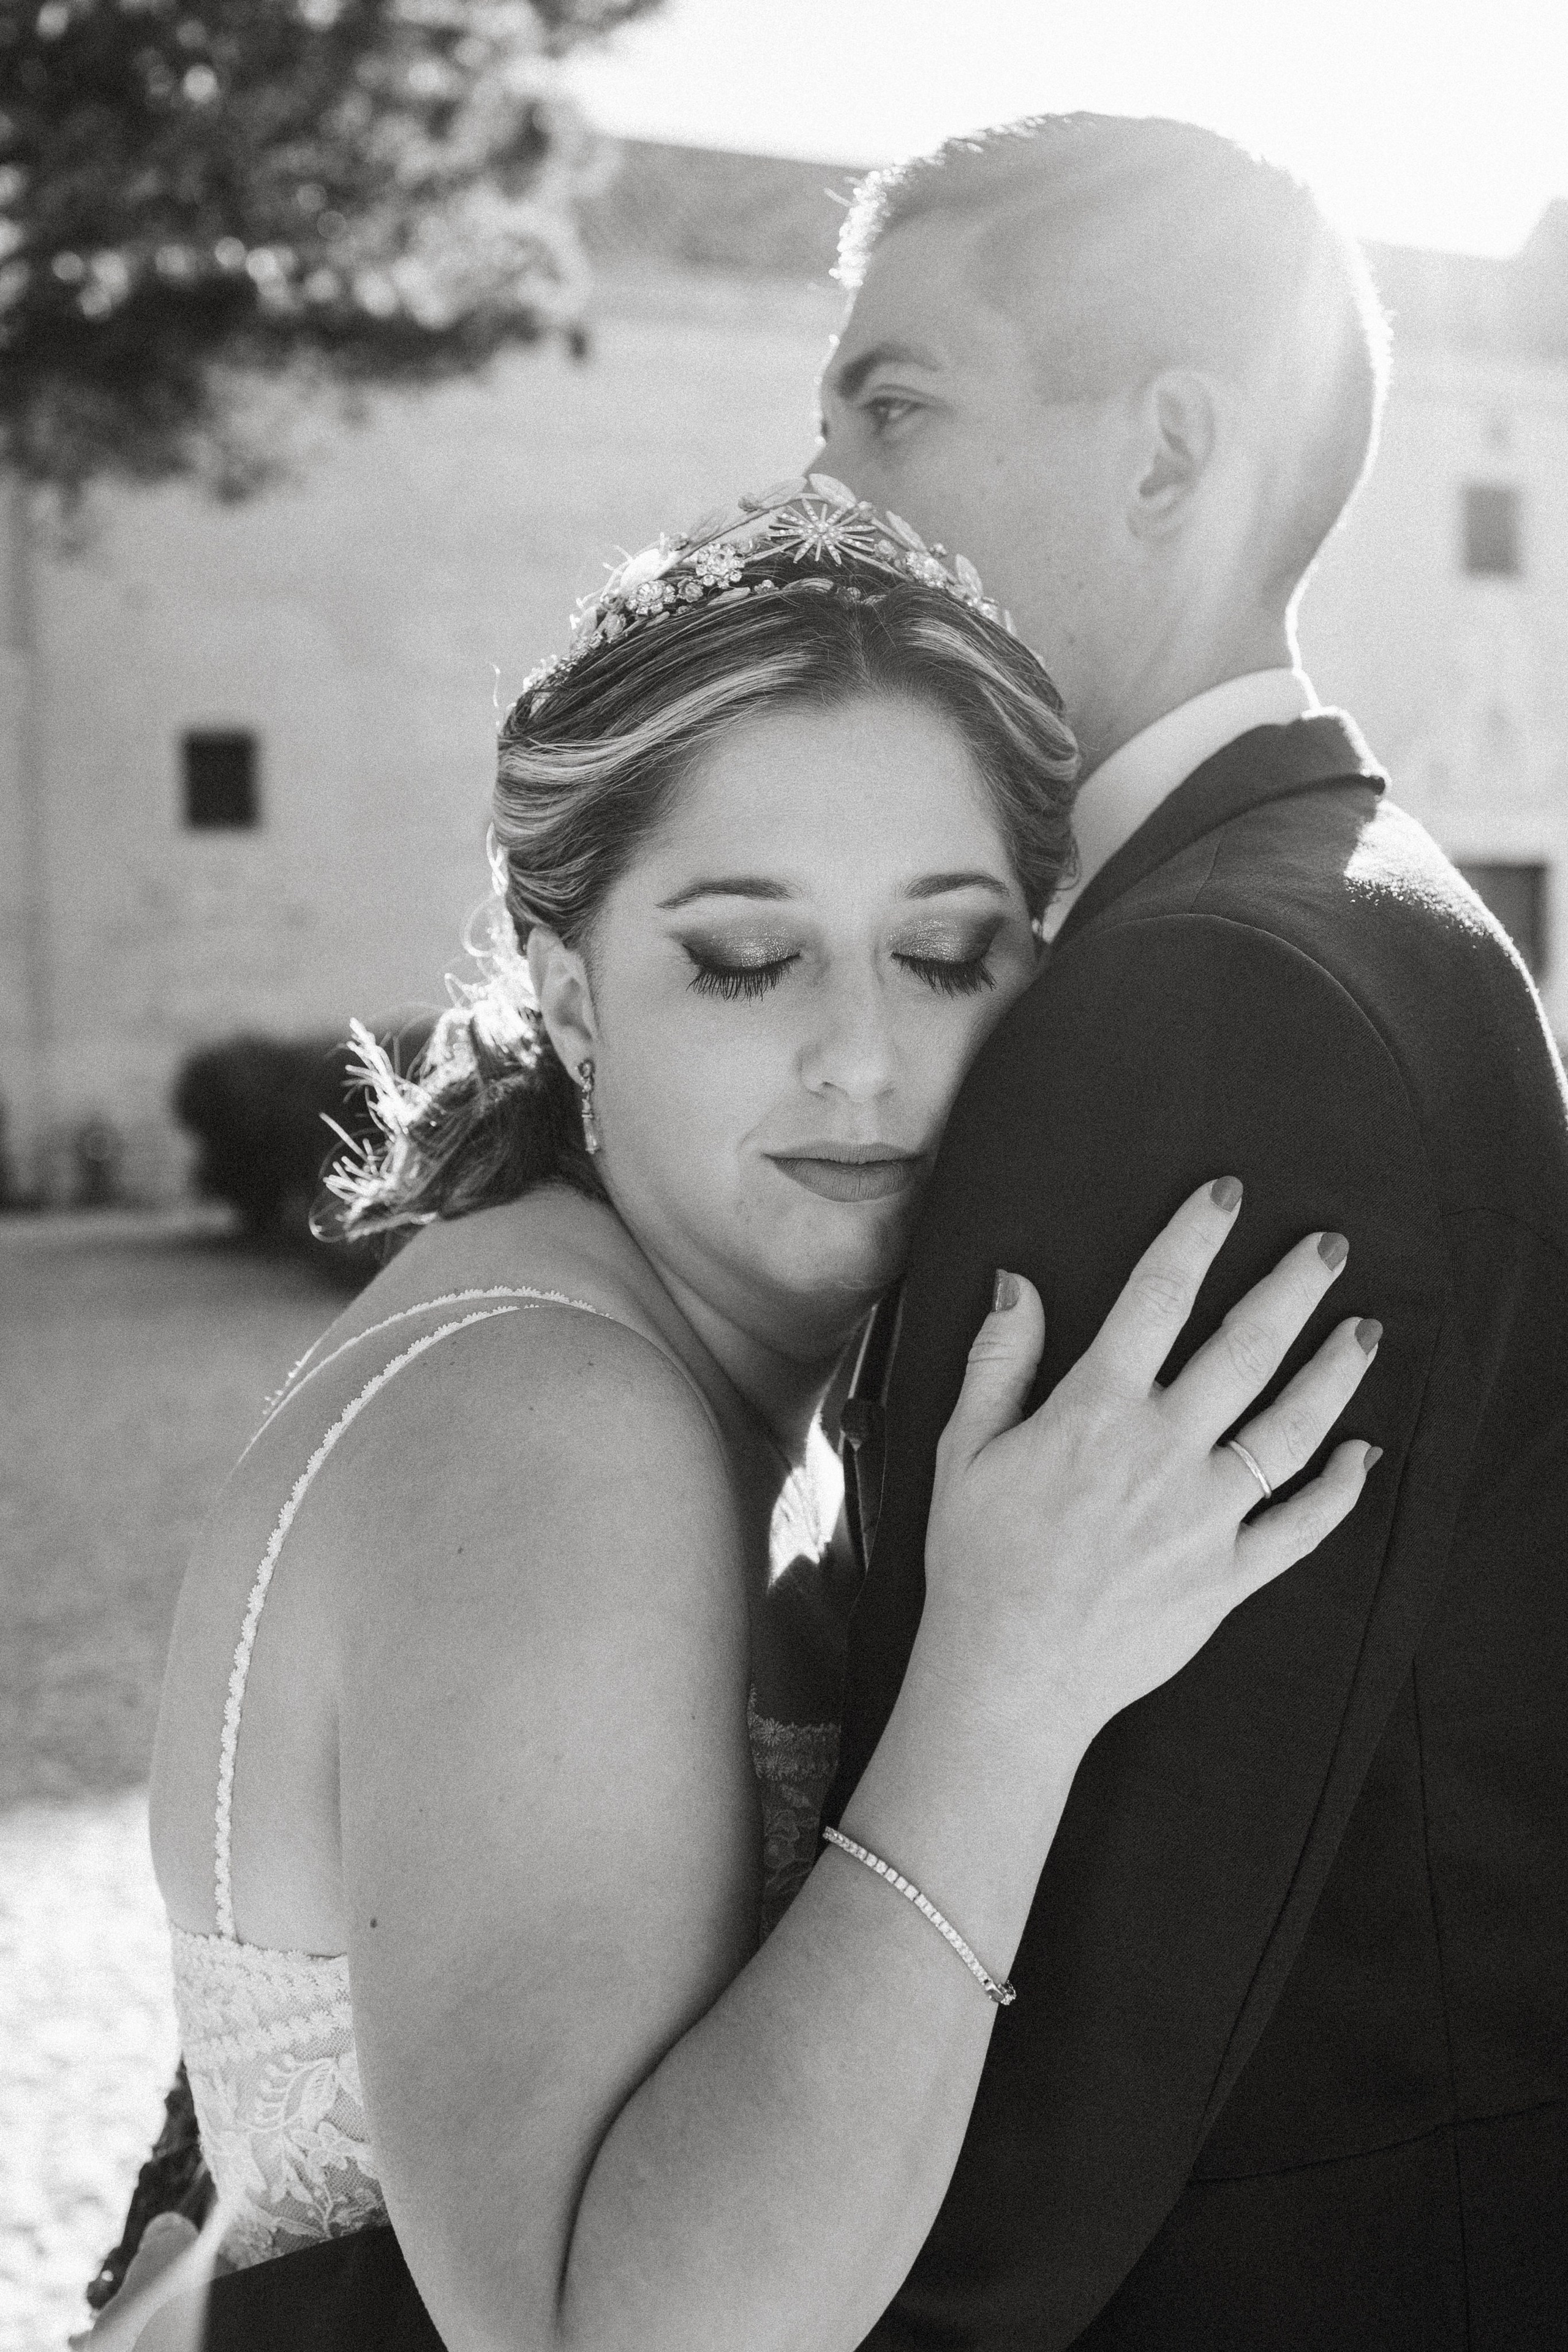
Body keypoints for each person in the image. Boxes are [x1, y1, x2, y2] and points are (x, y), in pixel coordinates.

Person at [94, 485, 1378, 2352]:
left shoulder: (599, 1348)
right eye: (744, 958)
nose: (861, 1053)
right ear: (573, 1001)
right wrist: (1008, 1688)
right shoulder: (554, 1425)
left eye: (946, 954)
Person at [816, 116, 1568, 2347]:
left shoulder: (1219, 1002)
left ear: (1167, 449)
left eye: (896, 407)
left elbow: (1089, 2015)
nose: (819, 506)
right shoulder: (1344, 910)